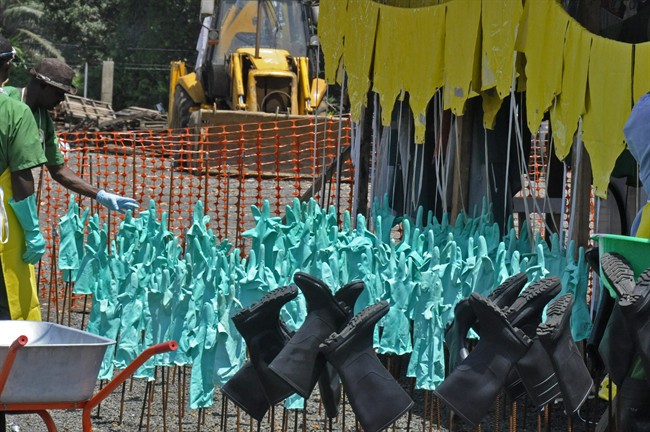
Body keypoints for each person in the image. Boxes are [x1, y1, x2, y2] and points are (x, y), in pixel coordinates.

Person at [3, 58, 139, 213]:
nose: (61, 99)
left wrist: (99, 194)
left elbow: (59, 170)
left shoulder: (43, 121)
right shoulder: (6, 100)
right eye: (59, 93)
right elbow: (20, 171)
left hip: (13, 201)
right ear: (42, 85)